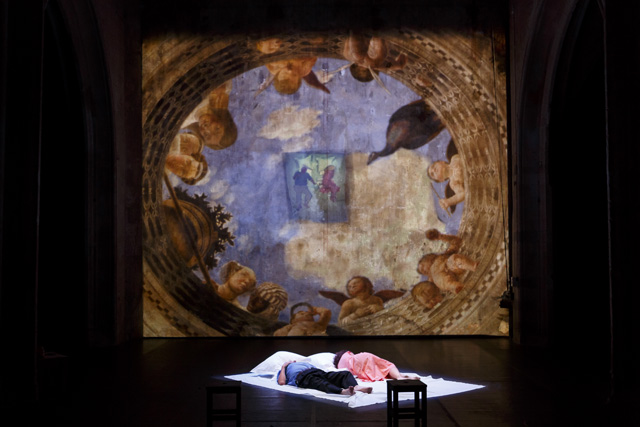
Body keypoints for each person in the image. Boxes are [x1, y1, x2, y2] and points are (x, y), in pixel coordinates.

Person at [417, 229, 478, 294]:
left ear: (430, 258)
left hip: (450, 265)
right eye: (423, 273)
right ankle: (455, 287)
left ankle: (472, 265)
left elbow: (456, 242)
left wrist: (440, 236)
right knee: (443, 281)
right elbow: (430, 288)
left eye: (422, 267)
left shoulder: (442, 256)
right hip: (442, 278)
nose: (423, 271)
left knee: (454, 258)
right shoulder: (431, 277)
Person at [277, 360, 372, 395]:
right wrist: (284, 366)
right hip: (303, 377)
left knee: (345, 374)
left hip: (317, 371)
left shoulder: (303, 362)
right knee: (319, 382)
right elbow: (282, 382)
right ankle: (342, 391)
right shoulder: (284, 369)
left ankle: (356, 387)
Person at [343, 33, 407, 83]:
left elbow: (400, 65)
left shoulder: (380, 64)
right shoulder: (349, 55)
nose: (365, 62)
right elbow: (399, 65)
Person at [333, 350, 419, 382]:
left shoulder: (339, 367)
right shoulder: (347, 353)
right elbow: (353, 354)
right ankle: (399, 376)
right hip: (362, 357)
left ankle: (399, 376)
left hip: (357, 370)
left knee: (379, 371)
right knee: (386, 366)